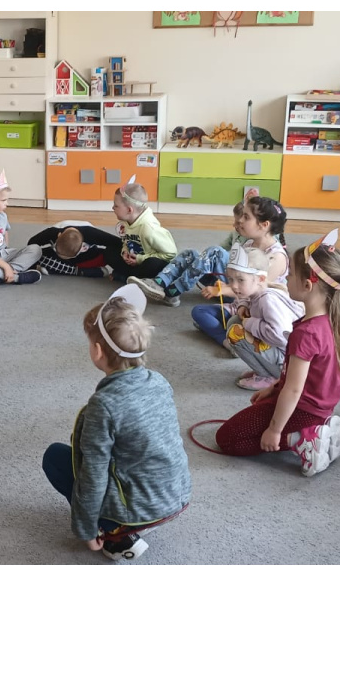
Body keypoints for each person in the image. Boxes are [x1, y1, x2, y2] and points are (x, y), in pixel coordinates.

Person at [42, 284, 192, 562]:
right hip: (176, 496)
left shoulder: (103, 405)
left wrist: (86, 529)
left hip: (140, 508)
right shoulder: (159, 381)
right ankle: (135, 520)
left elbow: (93, 475)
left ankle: (115, 532)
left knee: (55, 457)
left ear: (98, 351)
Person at [214, 230, 340, 477]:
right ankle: (318, 430)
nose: (285, 279)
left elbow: (294, 390)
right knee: (254, 417)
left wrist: (276, 431)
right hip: (318, 407)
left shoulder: (306, 333)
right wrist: (274, 387)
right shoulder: (326, 320)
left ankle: (303, 438)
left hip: (304, 409)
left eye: (291, 276)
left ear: (307, 285)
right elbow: (300, 379)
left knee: (228, 438)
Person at [128, 190, 258, 306]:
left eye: (240, 222)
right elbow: (220, 250)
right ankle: (159, 282)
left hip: (234, 290)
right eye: (236, 221)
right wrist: (200, 262)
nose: (235, 225)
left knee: (215, 252)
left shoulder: (257, 242)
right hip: (218, 280)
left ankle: (173, 291)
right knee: (191, 254)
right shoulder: (236, 234)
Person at [189, 195, 290, 334]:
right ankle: (232, 331)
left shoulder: (276, 257)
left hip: (262, 313)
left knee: (212, 318)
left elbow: (255, 290)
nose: (240, 220)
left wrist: (223, 291)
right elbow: (240, 279)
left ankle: (229, 340)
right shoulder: (248, 244)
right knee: (199, 311)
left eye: (246, 217)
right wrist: (227, 285)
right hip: (242, 303)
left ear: (264, 225)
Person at [215, 244, 304, 391]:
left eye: (240, 280)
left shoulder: (267, 300)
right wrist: (243, 305)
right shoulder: (259, 291)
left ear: (260, 278)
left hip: (287, 364)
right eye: (230, 279)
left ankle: (269, 376)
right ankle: (264, 369)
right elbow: (248, 298)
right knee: (234, 322)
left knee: (236, 334)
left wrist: (250, 323)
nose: (234, 286)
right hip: (282, 354)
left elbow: (279, 336)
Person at [104, 177, 177, 282]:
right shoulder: (126, 221)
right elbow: (126, 241)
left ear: (129, 210)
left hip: (146, 262)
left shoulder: (149, 228)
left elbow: (171, 254)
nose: (112, 208)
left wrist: (140, 259)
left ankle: (127, 277)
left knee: (152, 264)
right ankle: (132, 277)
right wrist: (124, 252)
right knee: (109, 252)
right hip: (134, 260)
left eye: (116, 205)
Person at [28, 220, 121, 278]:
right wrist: (32, 264)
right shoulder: (52, 232)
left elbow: (116, 242)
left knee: (107, 255)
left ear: (83, 247)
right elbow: (32, 243)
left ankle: (71, 269)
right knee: (37, 254)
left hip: (86, 255)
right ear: (59, 236)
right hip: (57, 255)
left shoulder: (92, 234)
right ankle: (80, 271)